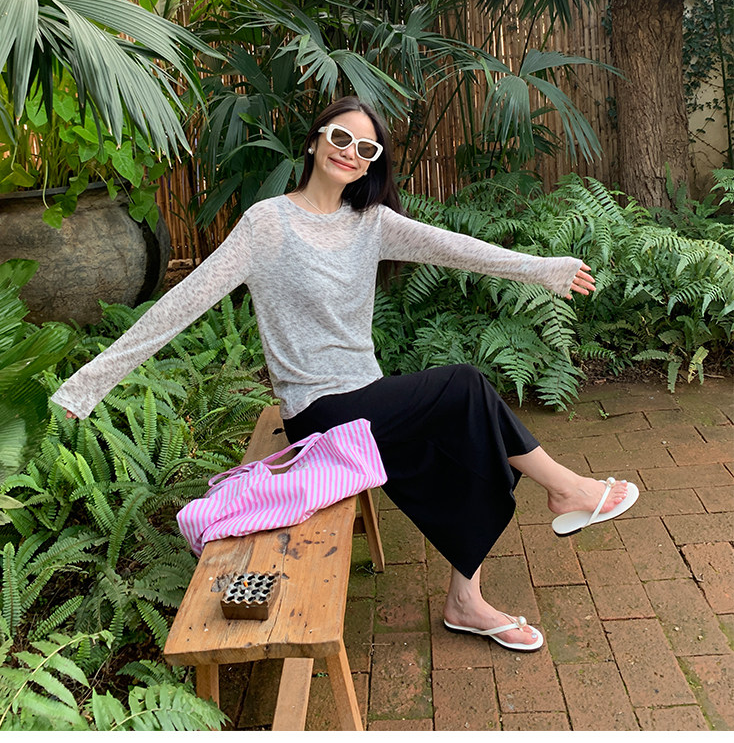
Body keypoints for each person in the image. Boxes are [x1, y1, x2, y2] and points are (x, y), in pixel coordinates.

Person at [52, 96, 637, 651]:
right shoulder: (266, 225)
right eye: (340, 138)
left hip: (368, 398)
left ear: (371, 164)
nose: (350, 153)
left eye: (366, 149)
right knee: (465, 386)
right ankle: (565, 488)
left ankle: (466, 600)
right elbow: (180, 305)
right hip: (318, 414)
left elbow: (458, 249)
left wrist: (544, 270)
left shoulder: (370, 223)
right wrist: (87, 384)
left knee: (469, 435)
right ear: (315, 142)